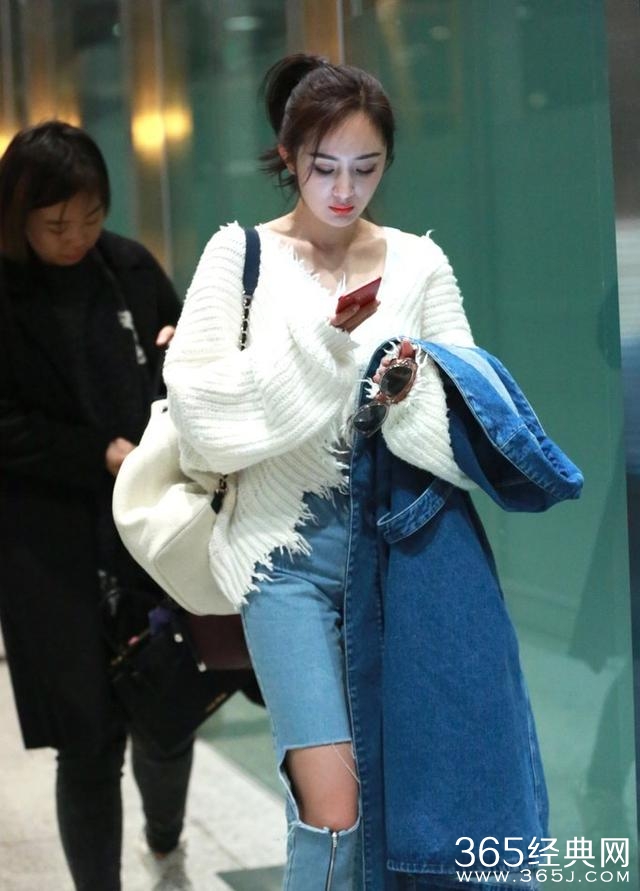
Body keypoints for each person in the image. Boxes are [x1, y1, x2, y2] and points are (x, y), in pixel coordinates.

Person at [164, 55, 580, 890]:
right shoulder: (238, 256)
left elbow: (461, 420)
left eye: (367, 167)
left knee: (420, 800)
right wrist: (326, 346)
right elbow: (202, 422)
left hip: (402, 551)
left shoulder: (419, 265)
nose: (345, 189)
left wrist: (403, 386)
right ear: (289, 155)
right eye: (324, 167)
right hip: (281, 558)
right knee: (333, 809)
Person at [0, 121, 193, 891]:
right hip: (46, 544)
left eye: (90, 216)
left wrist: (186, 354)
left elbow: (191, 362)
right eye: (55, 224)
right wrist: (99, 454)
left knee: (169, 707)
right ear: (17, 216)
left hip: (151, 529)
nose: (76, 236)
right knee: (86, 741)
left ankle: (165, 842)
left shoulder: (129, 267)